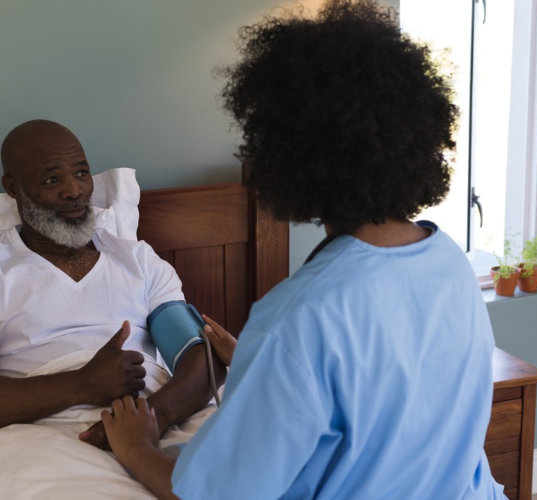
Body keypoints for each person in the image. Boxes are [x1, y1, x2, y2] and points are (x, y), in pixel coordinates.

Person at [100, 1, 506, 498]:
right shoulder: (450, 264)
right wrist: (263, 362)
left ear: (287, 152)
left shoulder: (299, 318)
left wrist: (137, 446)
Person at [0, 119, 224, 450]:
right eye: (52, 179)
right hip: (39, 438)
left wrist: (144, 423)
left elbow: (202, 359)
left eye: (82, 173)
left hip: (152, 419)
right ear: (13, 187)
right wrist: (82, 384)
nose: (74, 191)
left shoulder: (138, 260)